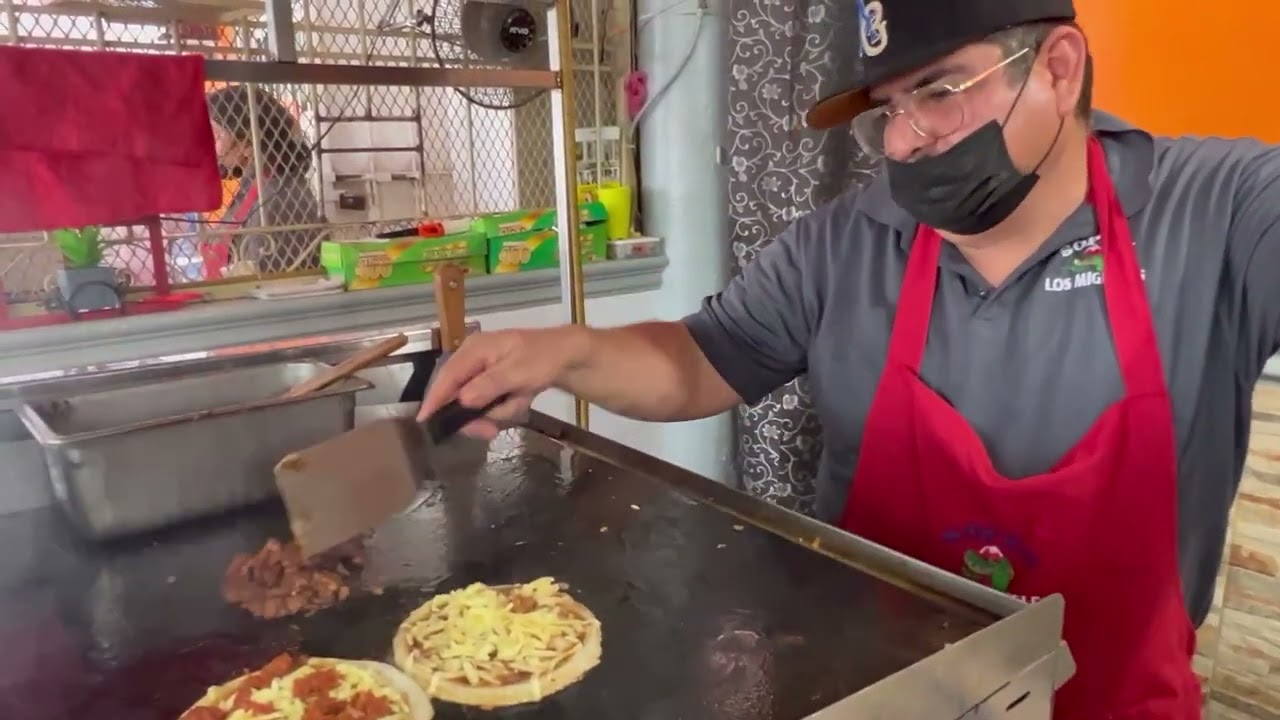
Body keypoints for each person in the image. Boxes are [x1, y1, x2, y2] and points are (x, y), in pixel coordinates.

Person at [418, 0, 1280, 716]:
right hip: (873, 696)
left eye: (938, 92)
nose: (902, 141)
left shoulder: (1218, 213)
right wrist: (566, 351)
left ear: (1057, 68)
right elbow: (701, 360)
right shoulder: (848, 243)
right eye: (886, 111)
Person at [202, 85, 321, 277]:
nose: (209, 146)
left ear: (249, 142)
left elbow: (270, 280)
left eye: (216, 136)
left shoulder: (279, 197)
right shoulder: (256, 185)